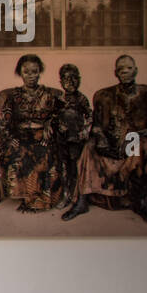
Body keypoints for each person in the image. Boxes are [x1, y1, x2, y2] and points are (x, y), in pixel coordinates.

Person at [62, 55, 147, 224]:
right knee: (89, 147)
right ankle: (81, 201)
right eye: (120, 69)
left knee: (141, 147)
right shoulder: (105, 96)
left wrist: (135, 136)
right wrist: (101, 137)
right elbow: (96, 125)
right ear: (115, 73)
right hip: (110, 142)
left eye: (129, 68)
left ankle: (140, 202)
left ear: (136, 70)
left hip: (133, 142)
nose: (125, 71)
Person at [0, 54, 63, 211]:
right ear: (20, 73)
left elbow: (60, 115)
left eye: (34, 71)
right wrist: (9, 138)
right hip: (20, 135)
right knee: (19, 150)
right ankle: (28, 196)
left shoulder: (48, 95)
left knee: (46, 150)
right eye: (26, 72)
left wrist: (50, 124)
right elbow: (3, 120)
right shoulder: (13, 96)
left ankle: (43, 197)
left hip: (42, 135)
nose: (31, 76)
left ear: (39, 72)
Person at [54, 63, 92, 209]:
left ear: (80, 79)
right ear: (61, 82)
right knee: (63, 169)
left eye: (75, 78)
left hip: (76, 140)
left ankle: (75, 196)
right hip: (61, 140)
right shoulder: (58, 99)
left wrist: (84, 131)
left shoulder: (82, 99)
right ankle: (65, 195)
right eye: (66, 79)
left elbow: (89, 117)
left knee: (75, 167)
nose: (71, 82)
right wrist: (58, 125)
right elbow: (53, 117)